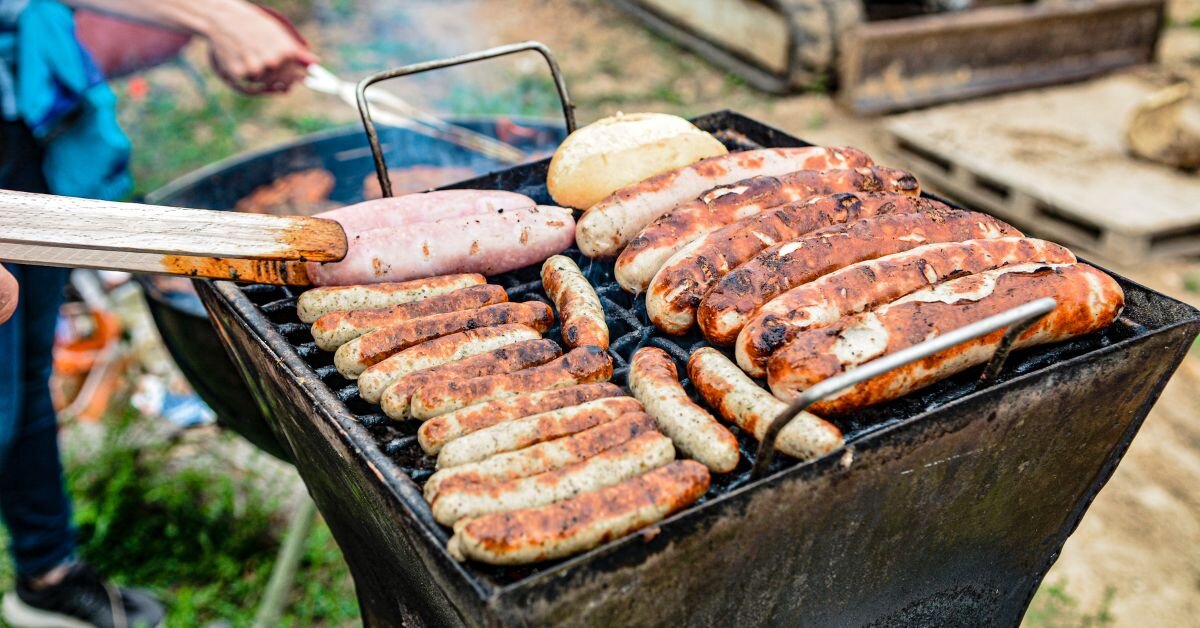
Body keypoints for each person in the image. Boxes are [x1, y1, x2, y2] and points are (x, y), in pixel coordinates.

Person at [0, 1, 314, 626]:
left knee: (26, 367)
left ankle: (48, 573)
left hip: (12, 125)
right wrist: (222, 18)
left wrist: (211, 19)